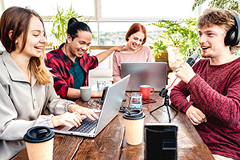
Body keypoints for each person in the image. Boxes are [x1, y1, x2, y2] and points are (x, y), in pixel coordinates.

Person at [0, 7, 99, 160]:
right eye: (35, 34)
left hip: (41, 145)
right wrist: (51, 121)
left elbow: (52, 101)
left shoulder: (41, 68)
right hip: (14, 155)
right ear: (13, 36)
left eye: (43, 34)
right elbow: (5, 128)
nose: (44, 40)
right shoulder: (2, 73)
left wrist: (71, 107)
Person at [170, 8, 240, 160]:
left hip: (222, 149)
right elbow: (175, 92)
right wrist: (188, 108)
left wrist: (193, 80)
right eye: (200, 33)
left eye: (210, 34)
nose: (201, 40)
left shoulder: (238, 69)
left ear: (231, 37)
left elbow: (232, 114)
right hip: (191, 139)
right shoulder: (200, 65)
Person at [45, 18, 127, 100]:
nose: (85, 48)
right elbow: (62, 90)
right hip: (64, 109)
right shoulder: (51, 59)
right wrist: (97, 93)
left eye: (88, 44)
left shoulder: (81, 56)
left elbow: (95, 60)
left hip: (83, 104)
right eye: (81, 43)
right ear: (69, 38)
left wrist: (113, 49)